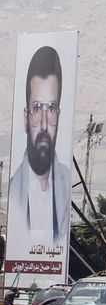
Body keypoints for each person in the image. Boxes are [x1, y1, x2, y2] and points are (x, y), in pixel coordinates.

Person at [6, 44, 71, 247]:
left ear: (58, 116)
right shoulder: (13, 190)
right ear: (26, 117)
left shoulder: (66, 183)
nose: (44, 123)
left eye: (50, 108)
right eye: (36, 108)